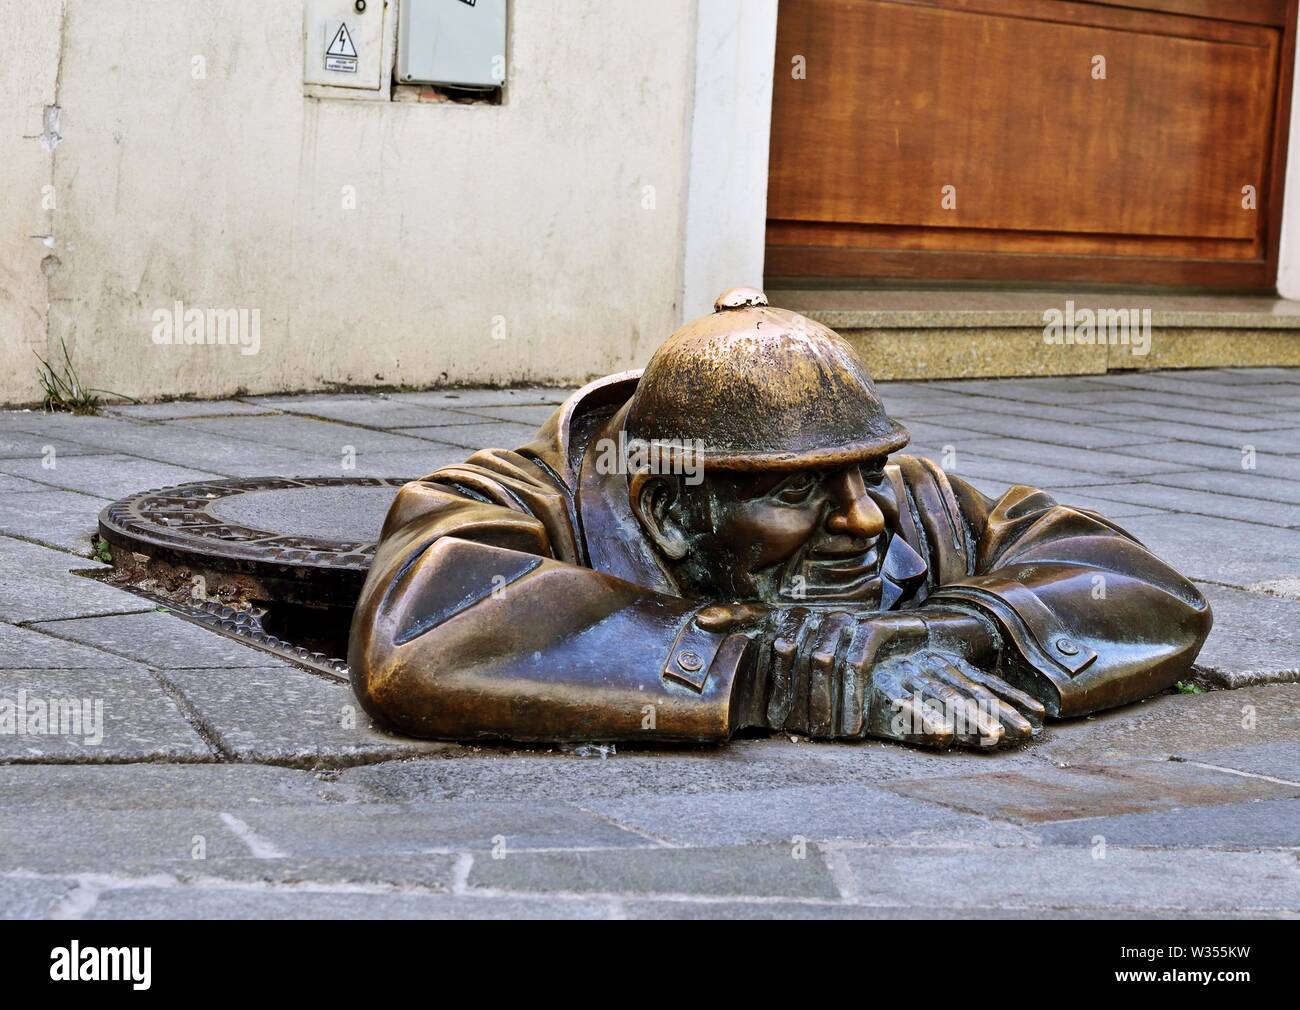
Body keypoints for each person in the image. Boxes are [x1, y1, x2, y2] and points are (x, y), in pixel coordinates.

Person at [348, 288, 1211, 749]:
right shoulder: (507, 500)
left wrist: (954, 634)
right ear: (674, 511)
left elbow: (1145, 586)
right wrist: (779, 672)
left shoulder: (904, 498)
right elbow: (419, 638)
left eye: (864, 475)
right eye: (798, 495)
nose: (867, 520)